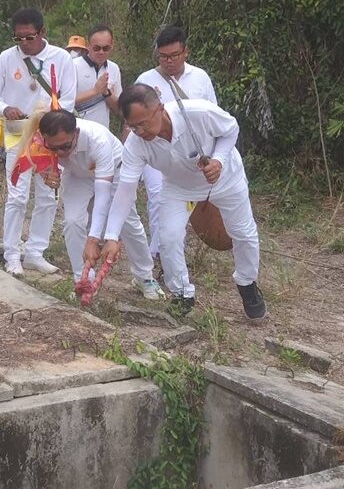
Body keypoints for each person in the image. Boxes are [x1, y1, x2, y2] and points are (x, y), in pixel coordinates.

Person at [96, 84, 265, 319]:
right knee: (168, 237)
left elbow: (230, 129)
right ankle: (182, 294)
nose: (140, 131)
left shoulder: (197, 112)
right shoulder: (135, 144)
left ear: (160, 108)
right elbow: (125, 190)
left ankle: (247, 283)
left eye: (143, 123)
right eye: (132, 126)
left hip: (226, 179)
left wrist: (218, 159)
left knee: (242, 232)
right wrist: (112, 236)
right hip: (178, 187)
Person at [0, 8, 77, 275]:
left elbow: (69, 99)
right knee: (17, 196)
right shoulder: (6, 58)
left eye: (29, 37)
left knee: (48, 196)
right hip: (18, 136)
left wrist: (49, 118)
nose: (24, 43)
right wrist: (4, 108)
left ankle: (35, 252)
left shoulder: (61, 58)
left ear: (42, 32)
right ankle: (12, 254)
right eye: (18, 38)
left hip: (48, 138)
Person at [37, 110, 163, 299]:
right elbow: (40, 162)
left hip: (114, 171)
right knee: (72, 221)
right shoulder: (41, 140)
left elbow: (103, 196)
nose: (60, 153)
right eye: (53, 148)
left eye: (65, 146)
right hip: (78, 175)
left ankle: (144, 276)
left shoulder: (97, 140)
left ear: (76, 133)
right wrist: (47, 173)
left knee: (127, 223)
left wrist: (93, 239)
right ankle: (83, 280)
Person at [135, 26, 218, 260]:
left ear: (185, 52)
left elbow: (213, 116)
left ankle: (171, 248)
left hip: (191, 154)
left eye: (174, 55)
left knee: (184, 203)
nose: (168, 61)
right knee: (157, 196)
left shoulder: (200, 78)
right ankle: (158, 253)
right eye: (163, 56)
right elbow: (133, 120)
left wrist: (213, 154)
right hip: (156, 150)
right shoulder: (146, 80)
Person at [74, 24, 122, 128]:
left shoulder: (114, 68)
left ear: (112, 46)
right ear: (88, 46)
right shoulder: (73, 66)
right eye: (96, 48)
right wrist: (95, 91)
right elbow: (65, 101)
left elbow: (119, 109)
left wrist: (106, 93)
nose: (101, 52)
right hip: (76, 130)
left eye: (106, 48)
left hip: (102, 131)